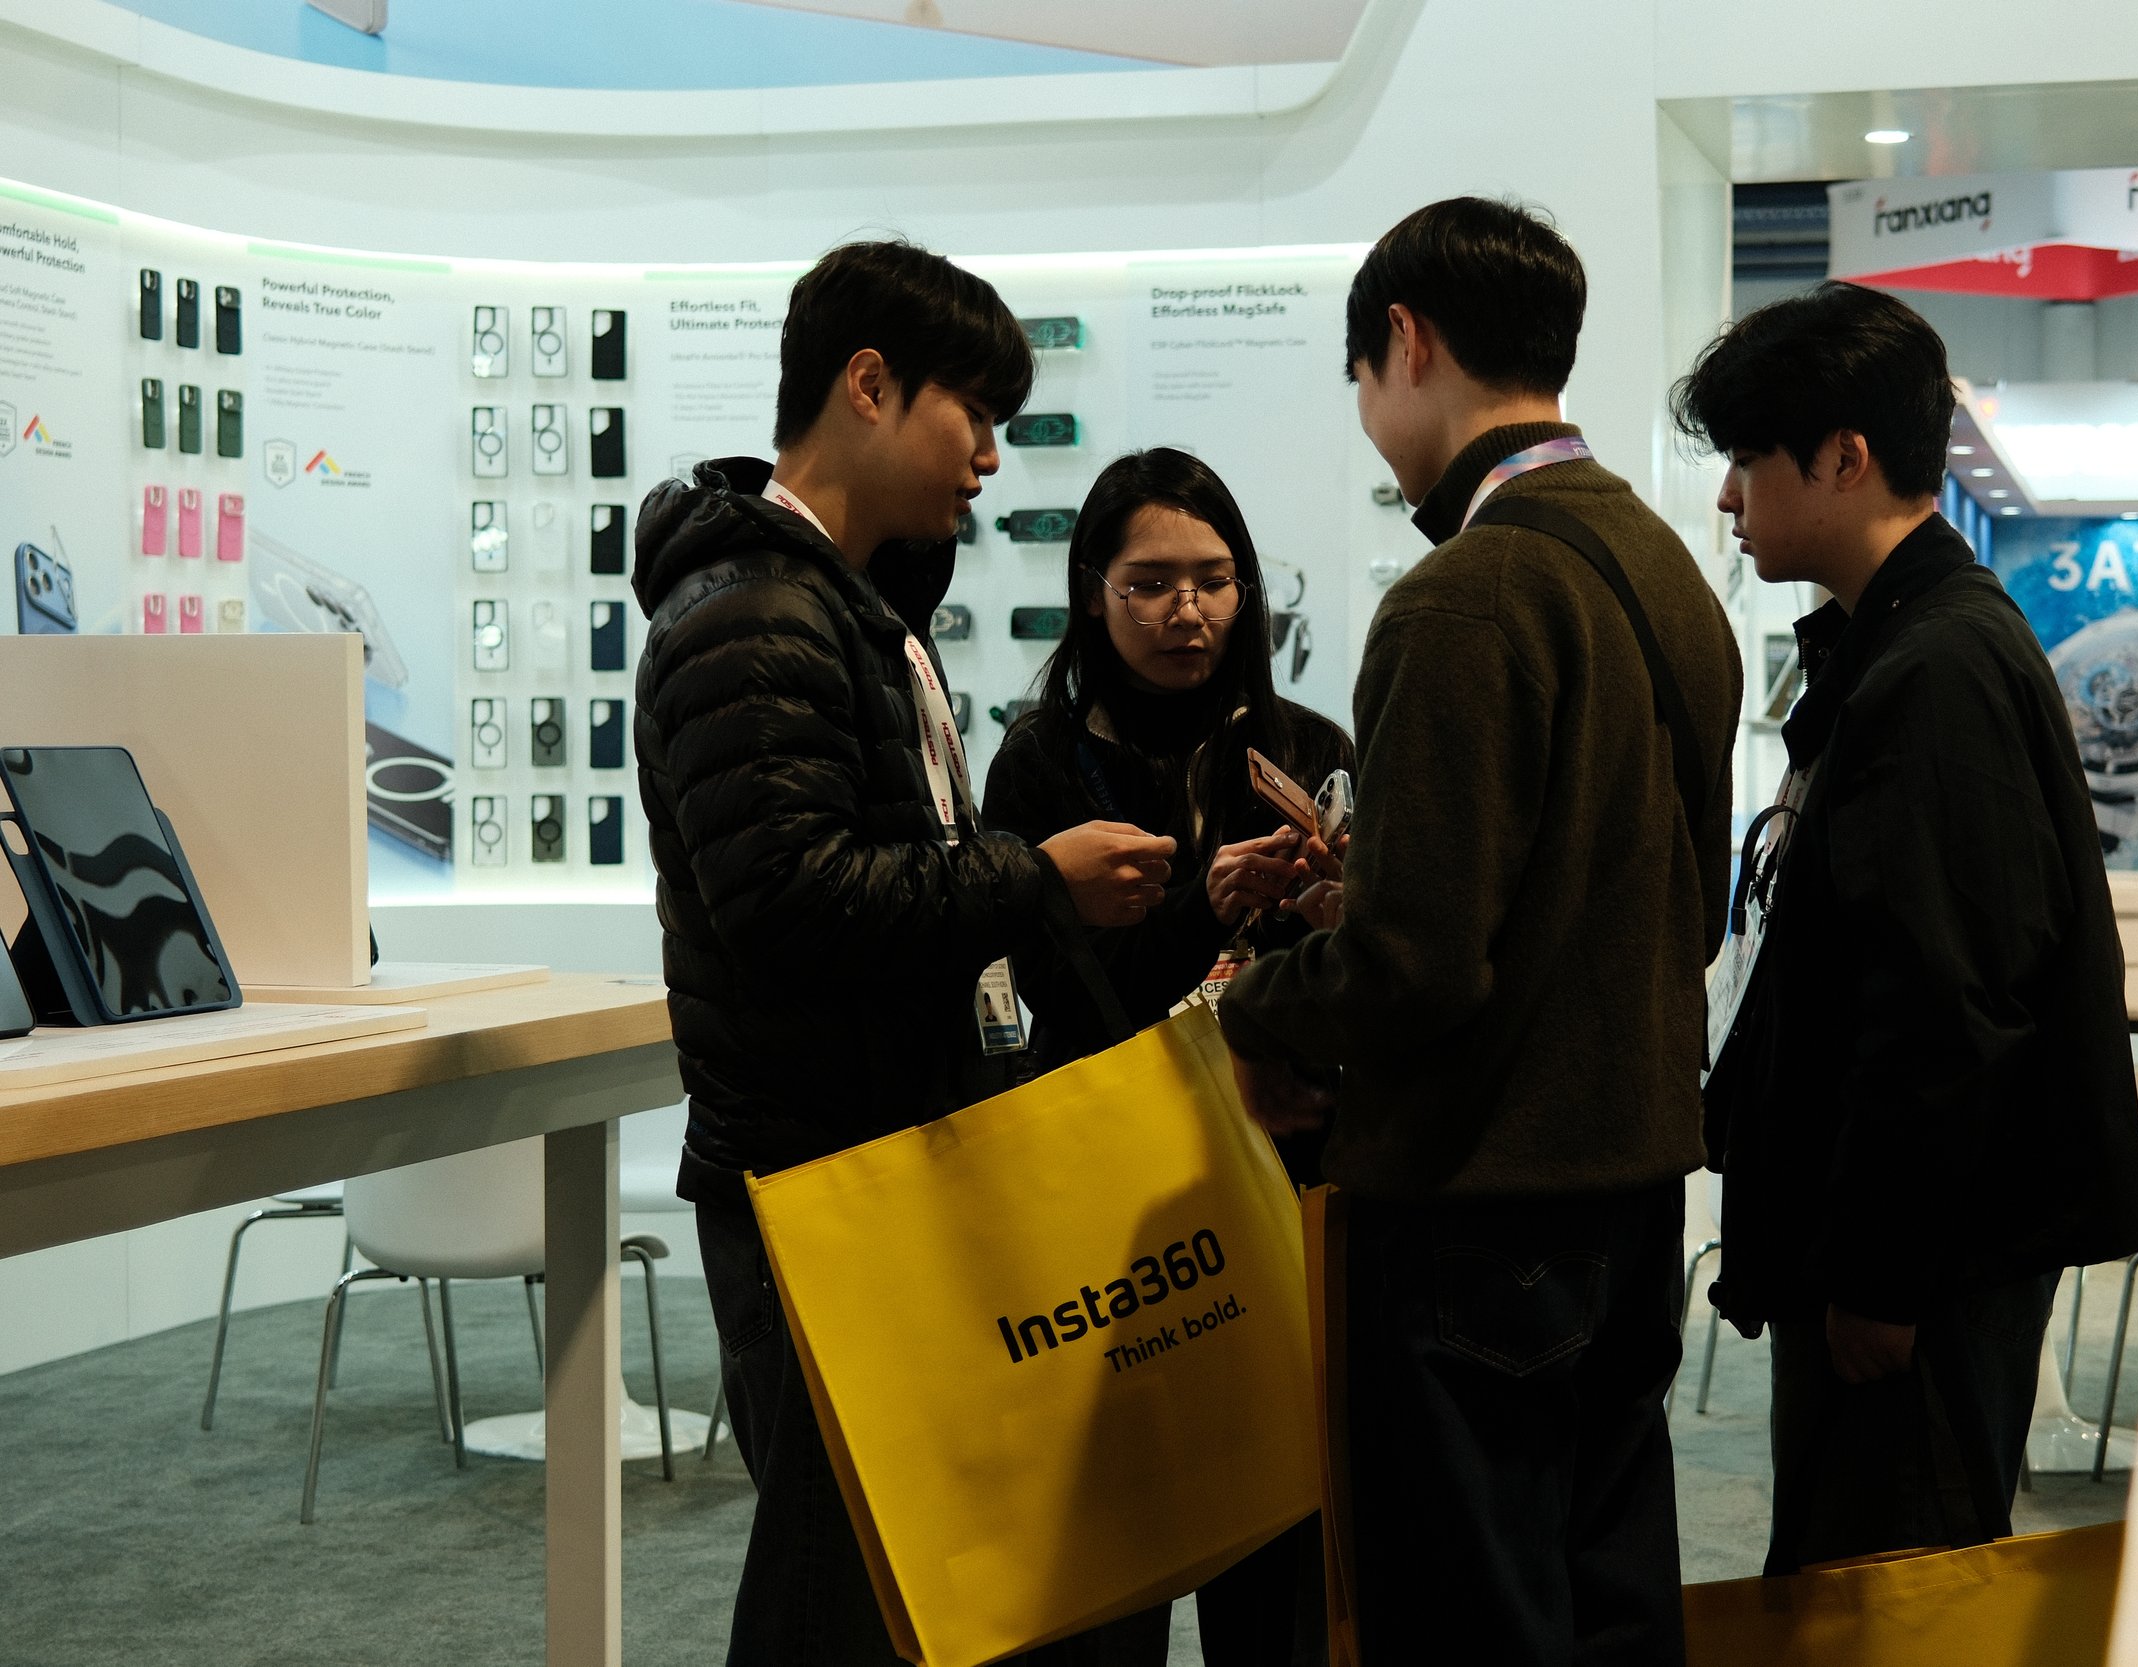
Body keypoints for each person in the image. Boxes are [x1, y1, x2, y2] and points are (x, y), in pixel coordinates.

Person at [631, 239, 1179, 1666]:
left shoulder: (847, 604)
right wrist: (1035, 878)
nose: (991, 458)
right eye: (972, 415)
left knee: (898, 1576)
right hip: (819, 1180)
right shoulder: (754, 612)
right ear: (867, 385)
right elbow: (794, 903)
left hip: (878, 1158)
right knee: (837, 1583)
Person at [1216, 196, 1744, 1665]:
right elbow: (1666, 902)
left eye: (1363, 377)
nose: (1372, 416)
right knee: (1610, 1585)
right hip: (1634, 1180)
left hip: (1476, 1206)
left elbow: (1418, 961)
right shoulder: (1665, 567)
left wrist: (1256, 1009)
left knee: (1469, 1611)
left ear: (1407, 341)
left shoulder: (1466, 593)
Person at [1674, 281, 2138, 1576]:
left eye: (1746, 458)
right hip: (1911, 1249)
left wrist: (1880, 1275)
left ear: (1844, 456)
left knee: (1890, 1589)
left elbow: (1948, 1003)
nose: (1729, 498)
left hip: (1925, 1271)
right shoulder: (1905, 640)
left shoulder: (1935, 667)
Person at [982, 445, 1352, 1667]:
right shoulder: (1039, 765)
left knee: (1280, 1566)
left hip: (1277, 1175)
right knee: (1107, 1571)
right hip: (1102, 1191)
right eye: (1148, 582)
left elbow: (1374, 979)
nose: (1183, 611)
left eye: (1212, 579)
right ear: (1093, 588)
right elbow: (1070, 1003)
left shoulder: (1309, 744)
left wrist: (1324, 917)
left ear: (1247, 592)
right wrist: (1203, 902)